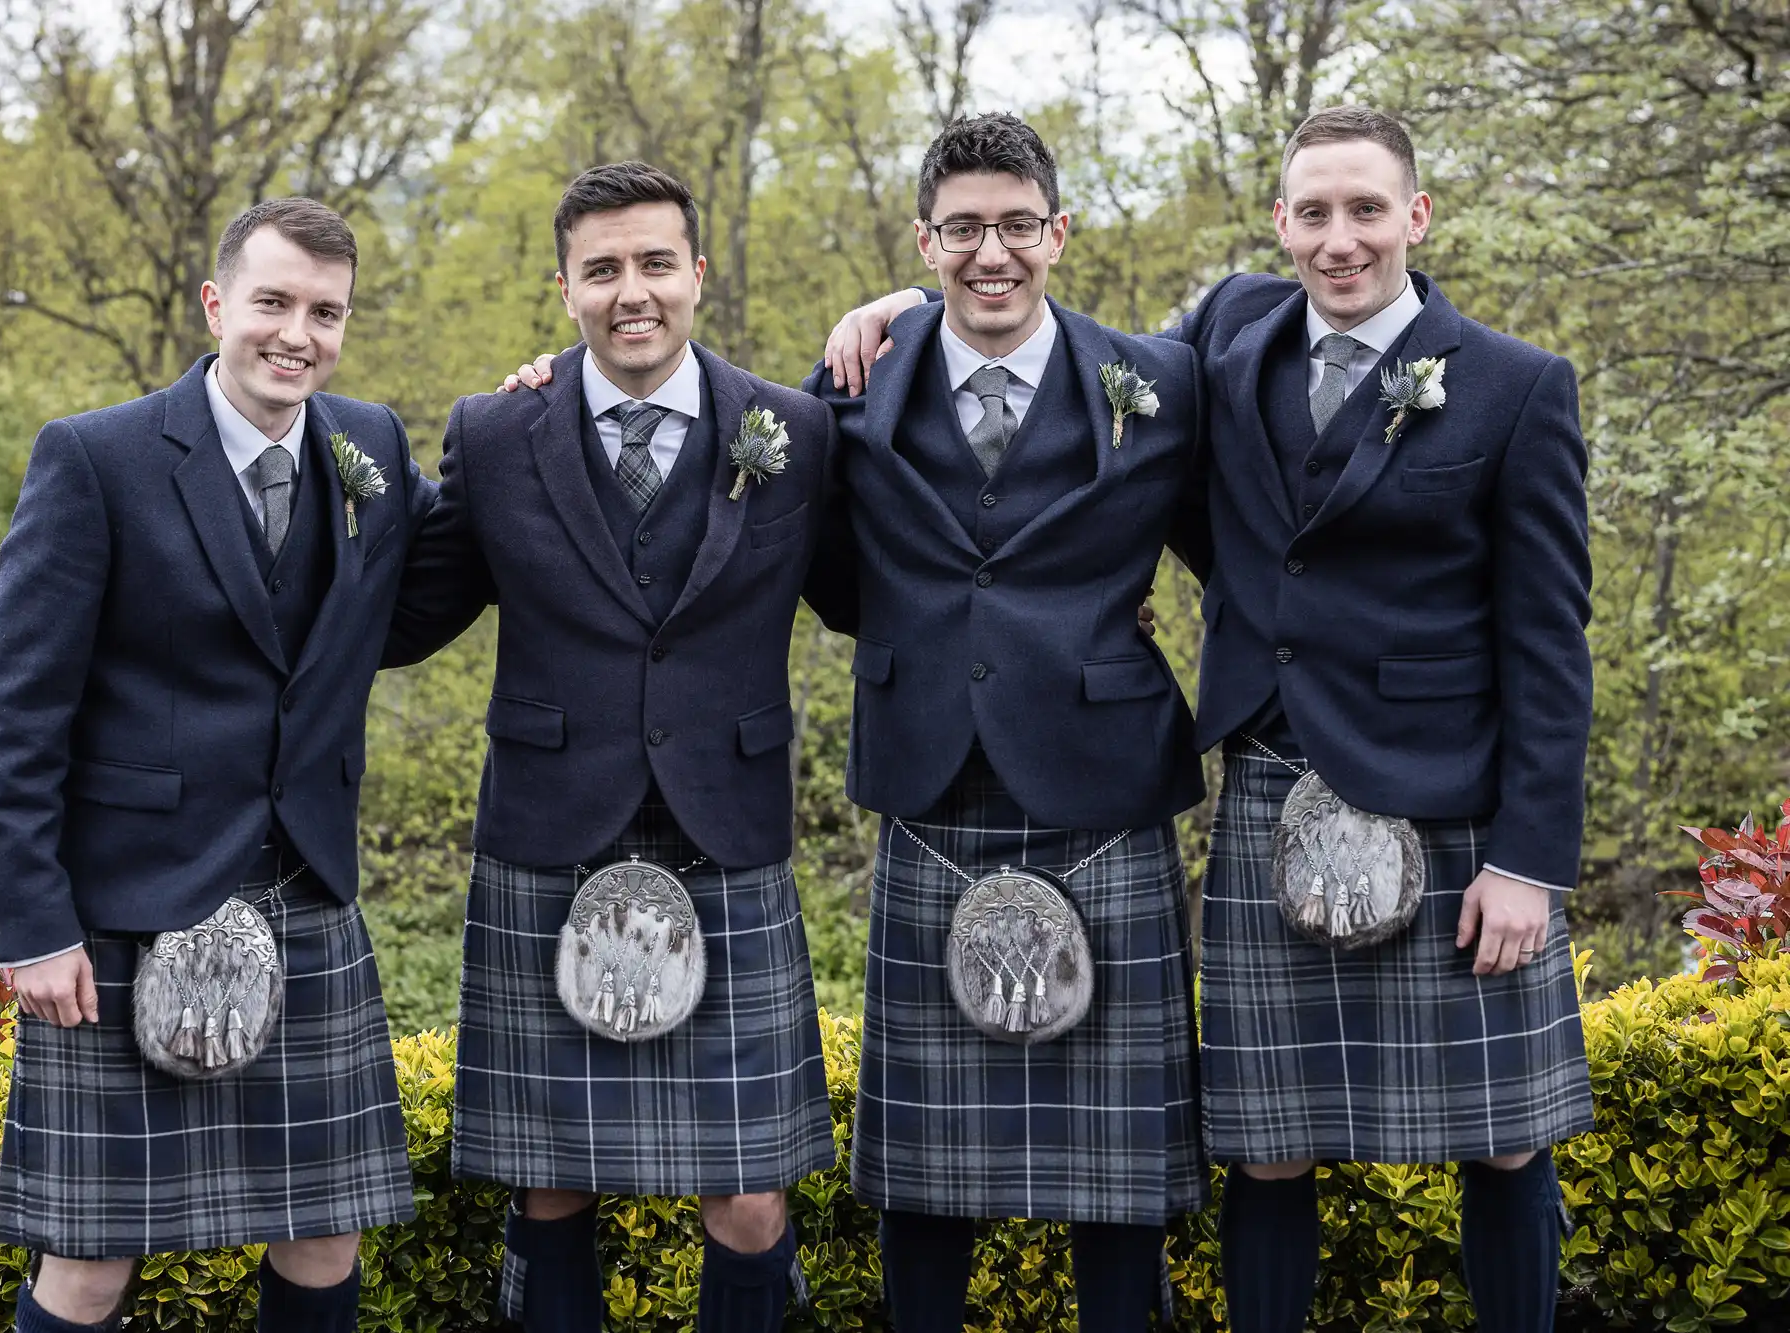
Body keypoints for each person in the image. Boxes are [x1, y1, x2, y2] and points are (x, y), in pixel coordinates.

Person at [823, 104, 1594, 1333]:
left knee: (1502, 1137)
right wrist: (903, 312)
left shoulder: (1513, 386)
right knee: (1264, 1143)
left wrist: (1526, 858)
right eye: (1313, 212)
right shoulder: (1217, 352)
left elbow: (1550, 643)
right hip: (1272, 776)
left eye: (1366, 210)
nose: (1339, 239)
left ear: (1415, 216)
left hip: (1450, 796)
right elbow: (1016, 308)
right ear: (1277, 222)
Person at [381, 161, 848, 1333]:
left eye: (652, 264)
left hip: (724, 829)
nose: (629, 291)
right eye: (602, 270)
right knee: (551, 1182)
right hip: (550, 823)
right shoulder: (493, 433)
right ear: (564, 288)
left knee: (744, 1192)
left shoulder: (789, 427)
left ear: (696, 272)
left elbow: (876, 590)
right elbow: (396, 616)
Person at [0, 198, 437, 1333]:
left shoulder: (366, 443)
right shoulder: (98, 455)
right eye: (273, 302)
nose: (298, 334)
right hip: (128, 903)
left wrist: (539, 402)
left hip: (304, 891)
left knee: (324, 1232)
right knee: (89, 1263)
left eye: (326, 312)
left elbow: (416, 601)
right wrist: (32, 921)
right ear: (217, 303)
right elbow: (15, 710)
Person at [812, 111, 1208, 1333]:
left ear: (1060, 232)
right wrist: (540, 384)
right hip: (931, 782)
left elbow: (1313, 301)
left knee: (1116, 1180)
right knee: (923, 1176)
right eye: (964, 229)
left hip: (1104, 781)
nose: (994, 253)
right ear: (925, 238)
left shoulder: (1163, 380)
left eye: (1018, 226)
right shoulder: (852, 384)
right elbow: (815, 564)